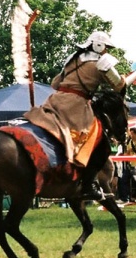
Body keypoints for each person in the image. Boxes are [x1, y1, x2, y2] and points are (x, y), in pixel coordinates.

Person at [24, 31, 127, 201]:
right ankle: (89, 184)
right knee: (94, 137)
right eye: (106, 47)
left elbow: (55, 83)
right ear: (99, 46)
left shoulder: (73, 59)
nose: (106, 51)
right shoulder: (100, 64)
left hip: (55, 101)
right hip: (76, 106)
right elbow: (119, 86)